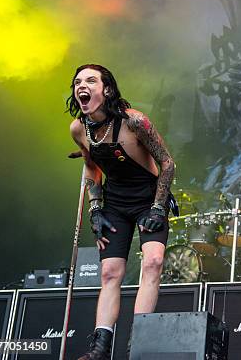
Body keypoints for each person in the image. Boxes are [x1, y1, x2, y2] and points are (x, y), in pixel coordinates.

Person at [67, 64, 175, 359]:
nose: (82, 86)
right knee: (109, 272)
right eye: (77, 82)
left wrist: (158, 206)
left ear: (108, 89)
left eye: (90, 80)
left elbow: (168, 163)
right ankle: (100, 347)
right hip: (115, 203)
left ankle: (139, 340)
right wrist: (94, 209)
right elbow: (91, 166)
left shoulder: (135, 121)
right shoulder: (79, 129)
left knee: (153, 262)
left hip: (148, 198)